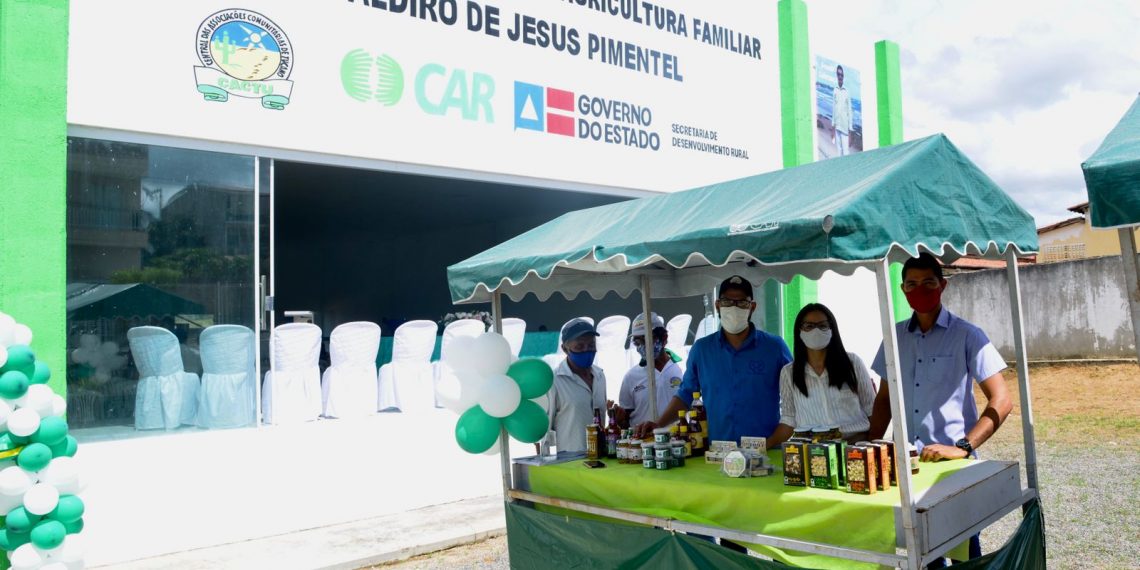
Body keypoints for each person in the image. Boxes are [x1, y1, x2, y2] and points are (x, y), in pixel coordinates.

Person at [868, 252, 1012, 566]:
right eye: (912, 284)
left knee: (963, 552)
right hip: (906, 468)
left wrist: (963, 447)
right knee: (919, 550)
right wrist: (867, 445)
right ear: (903, 289)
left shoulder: (967, 335)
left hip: (953, 470)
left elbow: (1002, 400)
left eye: (929, 283)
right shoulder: (893, 338)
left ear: (943, 285)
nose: (920, 290)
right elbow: (883, 401)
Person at [635, 275, 792, 446]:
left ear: (752, 307)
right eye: (727, 302)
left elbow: (794, 397)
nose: (734, 308)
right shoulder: (701, 350)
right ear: (717, 305)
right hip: (718, 453)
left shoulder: (774, 347)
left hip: (766, 452)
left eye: (742, 303)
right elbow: (685, 395)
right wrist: (659, 424)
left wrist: (772, 442)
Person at [769, 303, 876, 447]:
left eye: (822, 325)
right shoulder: (789, 372)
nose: (816, 331)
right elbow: (789, 420)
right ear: (799, 331)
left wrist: (873, 444)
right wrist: (762, 446)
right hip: (814, 452)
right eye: (809, 326)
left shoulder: (852, 363)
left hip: (854, 447)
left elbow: (872, 409)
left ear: (832, 329)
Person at [544, 318, 609, 454]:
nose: (587, 350)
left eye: (591, 345)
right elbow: (545, 432)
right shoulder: (554, 381)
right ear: (565, 349)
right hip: (570, 463)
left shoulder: (600, 376)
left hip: (601, 458)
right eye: (579, 346)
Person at [615, 312, 683, 429]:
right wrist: (619, 420)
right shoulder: (631, 377)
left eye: (647, 340)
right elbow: (625, 424)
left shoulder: (679, 370)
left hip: (676, 442)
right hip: (643, 443)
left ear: (664, 338)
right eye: (637, 342)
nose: (642, 347)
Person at [832, 65, 853, 157]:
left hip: (844, 127)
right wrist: (832, 125)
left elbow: (850, 111)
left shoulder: (847, 91)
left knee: (846, 153)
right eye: (838, 74)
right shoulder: (835, 90)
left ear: (843, 76)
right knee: (839, 152)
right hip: (837, 126)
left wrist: (850, 129)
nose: (840, 76)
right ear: (837, 76)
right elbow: (834, 108)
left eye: (841, 75)